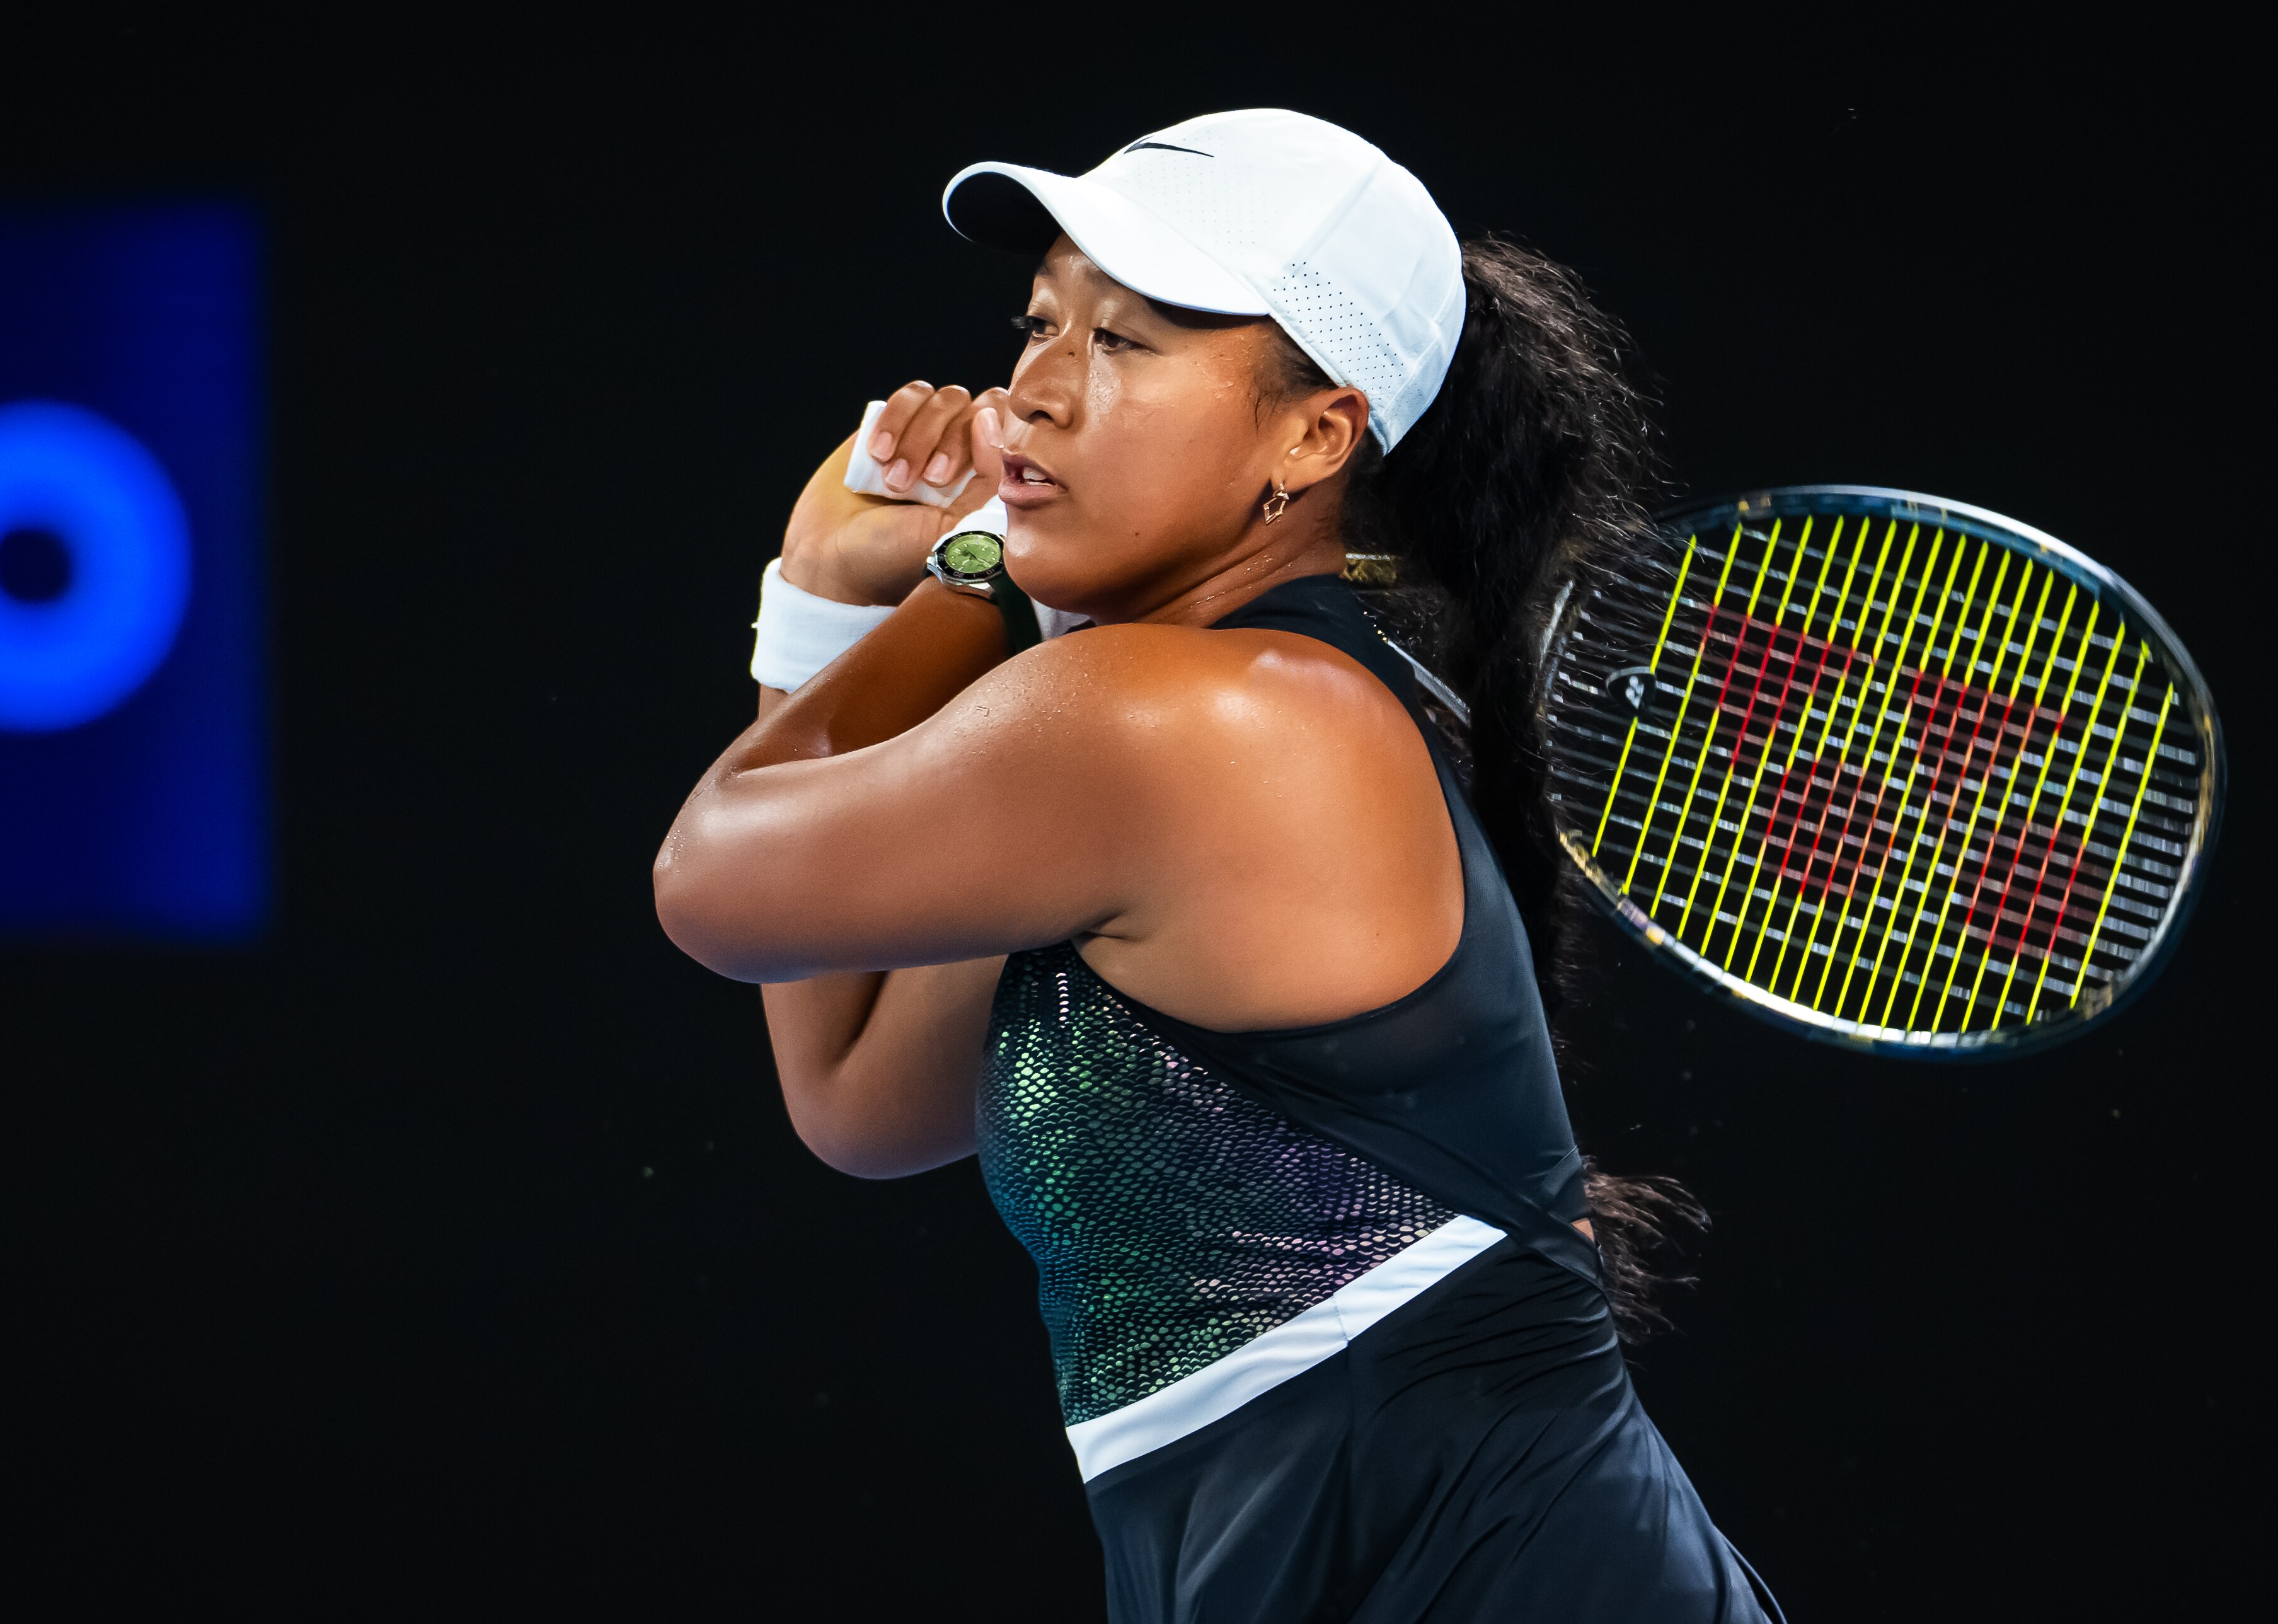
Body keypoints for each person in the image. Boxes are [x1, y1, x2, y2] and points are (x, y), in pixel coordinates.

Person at [655, 109, 1779, 1623]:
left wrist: (943, 575)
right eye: (1038, 324)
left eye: (1124, 345)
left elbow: (712, 882)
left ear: (1315, 433)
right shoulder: (1173, 710)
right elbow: (859, 1090)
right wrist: (852, 611)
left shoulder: (1202, 719)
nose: (1026, 401)